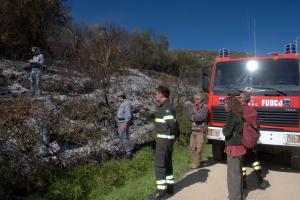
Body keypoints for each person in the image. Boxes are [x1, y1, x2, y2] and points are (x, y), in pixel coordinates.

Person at [148, 85, 180, 200]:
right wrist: (175, 137)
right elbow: (174, 124)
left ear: (161, 94)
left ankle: (160, 192)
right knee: (167, 164)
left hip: (163, 142)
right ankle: (170, 188)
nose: (155, 95)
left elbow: (172, 124)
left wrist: (176, 136)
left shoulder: (166, 108)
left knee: (160, 166)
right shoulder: (166, 106)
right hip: (166, 141)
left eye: (156, 93)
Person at [240, 91, 265, 189]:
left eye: (240, 97)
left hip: (243, 141)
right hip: (251, 141)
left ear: (243, 99)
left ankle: (243, 182)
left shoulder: (240, 110)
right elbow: (257, 125)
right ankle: (260, 179)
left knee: (242, 163)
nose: (239, 99)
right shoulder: (253, 110)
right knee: (255, 161)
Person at [223, 95, 246, 200]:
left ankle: (234, 198)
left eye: (225, 103)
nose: (224, 106)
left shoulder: (232, 115)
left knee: (233, 175)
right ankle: (239, 196)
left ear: (230, 104)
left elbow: (227, 132)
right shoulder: (240, 114)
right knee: (238, 174)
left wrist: (224, 128)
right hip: (240, 147)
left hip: (233, 147)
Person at [189, 93, 208, 169]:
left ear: (201, 100)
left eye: (198, 99)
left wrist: (194, 116)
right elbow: (189, 116)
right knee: (192, 147)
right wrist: (195, 116)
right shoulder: (192, 107)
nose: (196, 101)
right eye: (195, 99)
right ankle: (195, 162)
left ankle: (197, 162)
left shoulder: (205, 107)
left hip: (201, 131)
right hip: (193, 130)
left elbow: (201, 117)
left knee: (199, 148)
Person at [116, 91, 133, 159]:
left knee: (125, 137)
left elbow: (128, 115)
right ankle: (126, 151)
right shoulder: (122, 103)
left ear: (121, 97)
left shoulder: (126, 104)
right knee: (122, 137)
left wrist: (126, 124)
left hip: (123, 122)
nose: (117, 99)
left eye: (118, 97)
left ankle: (129, 154)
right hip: (120, 122)